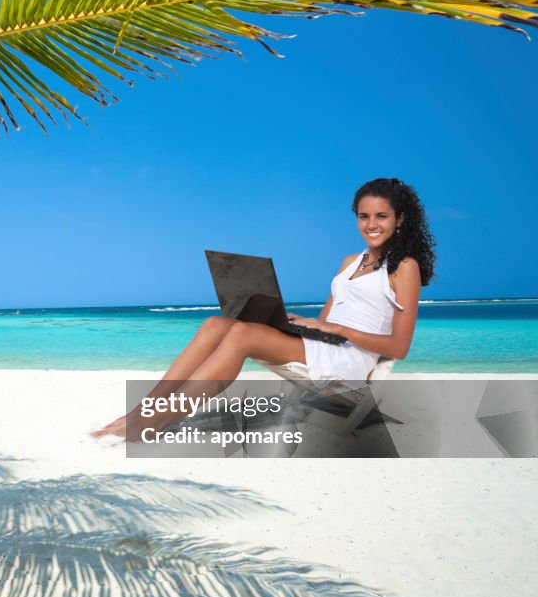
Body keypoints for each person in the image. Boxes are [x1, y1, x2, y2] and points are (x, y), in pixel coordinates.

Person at [92, 178, 436, 441]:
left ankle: (151, 424)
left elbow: (399, 347)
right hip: (325, 346)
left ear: (400, 219)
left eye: (381, 216)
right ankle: (139, 413)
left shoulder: (404, 267)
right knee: (216, 324)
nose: (371, 224)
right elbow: (328, 320)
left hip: (349, 361)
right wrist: (305, 324)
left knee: (242, 334)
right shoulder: (350, 262)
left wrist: (338, 331)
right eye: (364, 216)